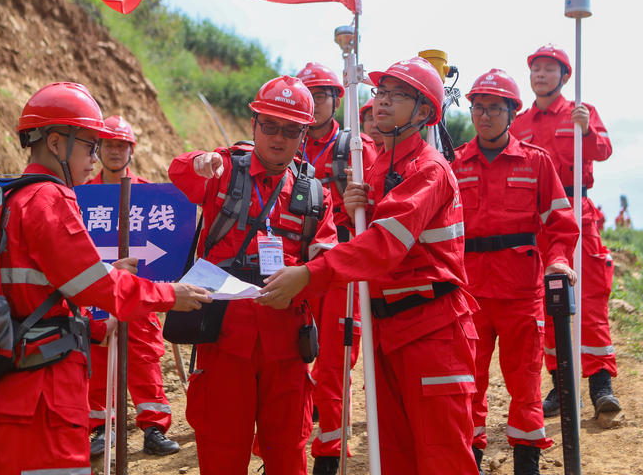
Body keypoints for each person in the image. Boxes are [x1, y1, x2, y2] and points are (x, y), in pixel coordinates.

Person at [0, 82, 210, 475]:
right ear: (55, 142)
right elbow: (99, 289)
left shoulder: (10, 197)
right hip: (42, 398)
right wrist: (170, 294)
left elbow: (41, 289)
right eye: (88, 145)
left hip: (4, 393)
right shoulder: (50, 199)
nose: (95, 158)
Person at [260, 57, 479, 475]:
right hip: (387, 331)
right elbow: (360, 236)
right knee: (394, 457)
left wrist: (309, 275)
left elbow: (381, 247)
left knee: (443, 457)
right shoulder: (378, 166)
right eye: (380, 93)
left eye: (397, 96)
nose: (381, 103)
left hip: (432, 330)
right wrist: (355, 206)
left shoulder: (429, 169)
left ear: (425, 111)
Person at [168, 75, 338, 475]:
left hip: (287, 348)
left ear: (304, 134)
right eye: (270, 126)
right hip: (225, 340)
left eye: (291, 130)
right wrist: (199, 162)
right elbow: (181, 174)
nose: (279, 138)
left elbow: (327, 265)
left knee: (288, 456)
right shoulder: (224, 169)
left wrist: (306, 276)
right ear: (255, 125)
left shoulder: (315, 195)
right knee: (222, 453)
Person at [452, 69, 578, 475]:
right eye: (478, 108)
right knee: (466, 385)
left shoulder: (536, 163)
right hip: (468, 294)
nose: (484, 116)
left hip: (522, 292)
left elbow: (560, 224)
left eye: (494, 108)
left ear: (512, 112)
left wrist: (558, 260)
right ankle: (468, 459)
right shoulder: (452, 165)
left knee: (525, 386)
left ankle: (527, 465)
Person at [510, 45, 620, 418]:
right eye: (535, 69)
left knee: (589, 302)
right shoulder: (519, 123)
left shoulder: (580, 113)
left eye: (548, 69)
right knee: (543, 305)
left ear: (564, 76)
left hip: (578, 214)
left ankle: (600, 384)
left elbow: (604, 150)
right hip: (536, 223)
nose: (540, 75)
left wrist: (586, 130)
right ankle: (561, 386)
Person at [295, 62, 379, 475]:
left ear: (336, 99)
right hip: (292, 267)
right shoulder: (282, 141)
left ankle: (328, 455)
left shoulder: (358, 147)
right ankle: (285, 448)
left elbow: (380, 205)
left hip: (339, 269)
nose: (313, 104)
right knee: (286, 361)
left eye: (322, 95)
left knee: (332, 365)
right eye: (307, 95)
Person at [84, 115, 180, 458]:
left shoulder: (148, 196)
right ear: (98, 148)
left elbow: (164, 246)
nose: (114, 151)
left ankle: (153, 427)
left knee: (143, 356)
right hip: (96, 291)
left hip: (138, 291)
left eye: (120, 145)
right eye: (108, 144)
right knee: (96, 353)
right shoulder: (83, 195)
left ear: (131, 150)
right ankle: (98, 428)